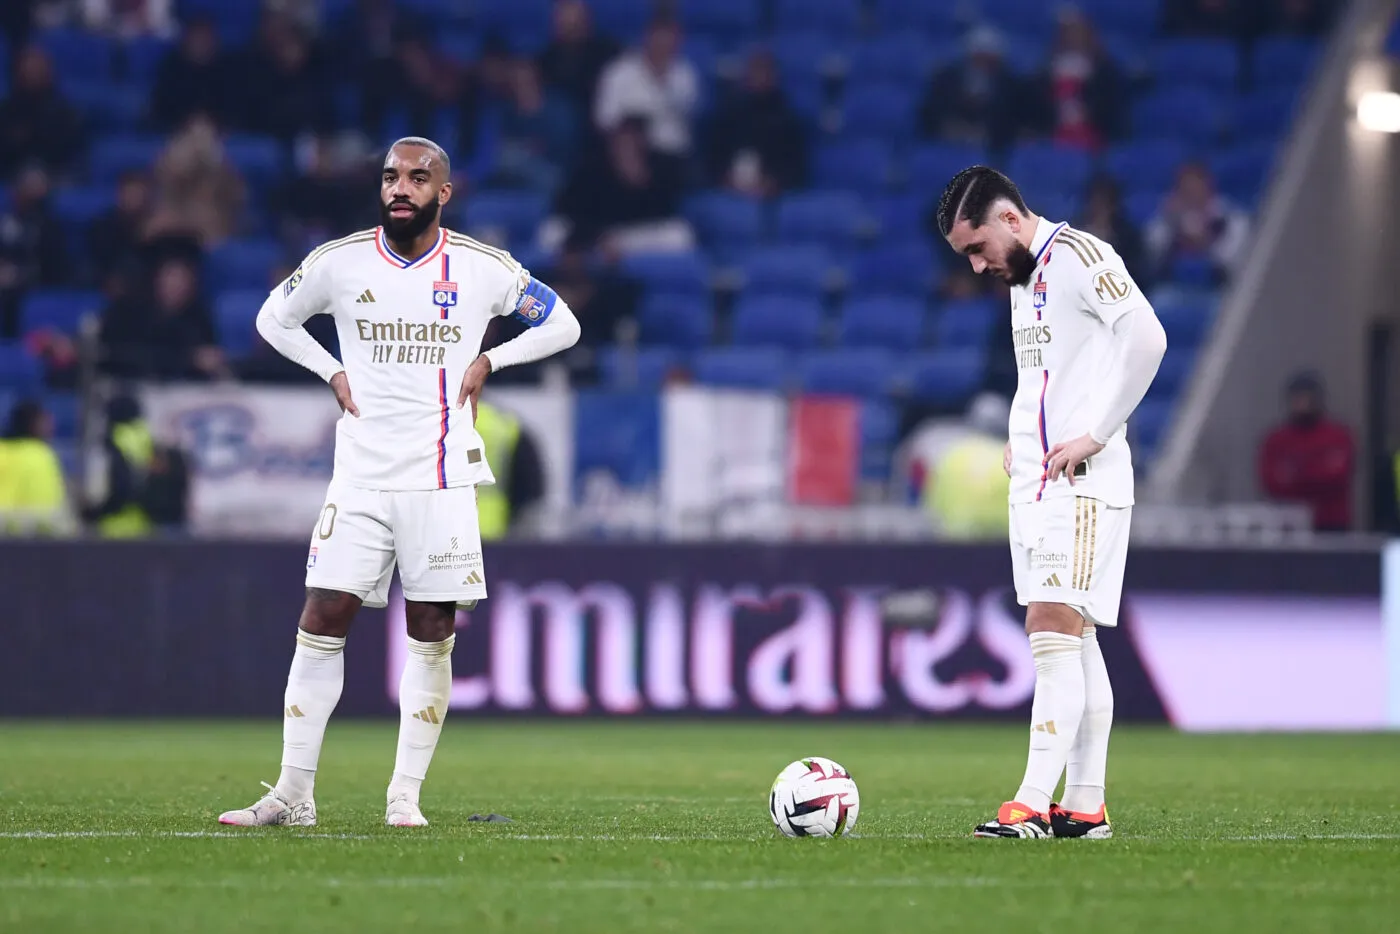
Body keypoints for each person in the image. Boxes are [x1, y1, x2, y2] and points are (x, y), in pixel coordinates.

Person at [218, 137, 580, 829]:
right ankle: (293, 795)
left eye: (418, 178)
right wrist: (330, 369)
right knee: (321, 620)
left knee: (432, 629)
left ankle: (403, 797)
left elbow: (563, 323)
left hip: (440, 481)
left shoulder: (480, 269)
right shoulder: (340, 261)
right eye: (390, 176)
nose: (400, 189)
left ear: (445, 192)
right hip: (359, 479)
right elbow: (272, 318)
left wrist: (491, 361)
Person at [935, 166, 1167, 839]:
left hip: (1083, 483)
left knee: (1050, 633)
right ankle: (1085, 805)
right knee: (1075, 642)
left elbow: (1146, 337)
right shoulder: (1023, 280)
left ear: (1009, 219)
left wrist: (1096, 433)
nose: (978, 266)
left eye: (977, 248)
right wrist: (1021, 439)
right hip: (1037, 481)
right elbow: (1047, 375)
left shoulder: (1080, 257)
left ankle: (1032, 802)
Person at [1257, 372, 1354, 532]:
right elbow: (1271, 482)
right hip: (1288, 525)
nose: (1302, 404)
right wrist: (1317, 469)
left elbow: (1337, 477)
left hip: (1331, 524)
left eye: (1306, 398)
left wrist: (1297, 473)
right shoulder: (1276, 440)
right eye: (1297, 398)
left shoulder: (1338, 435)